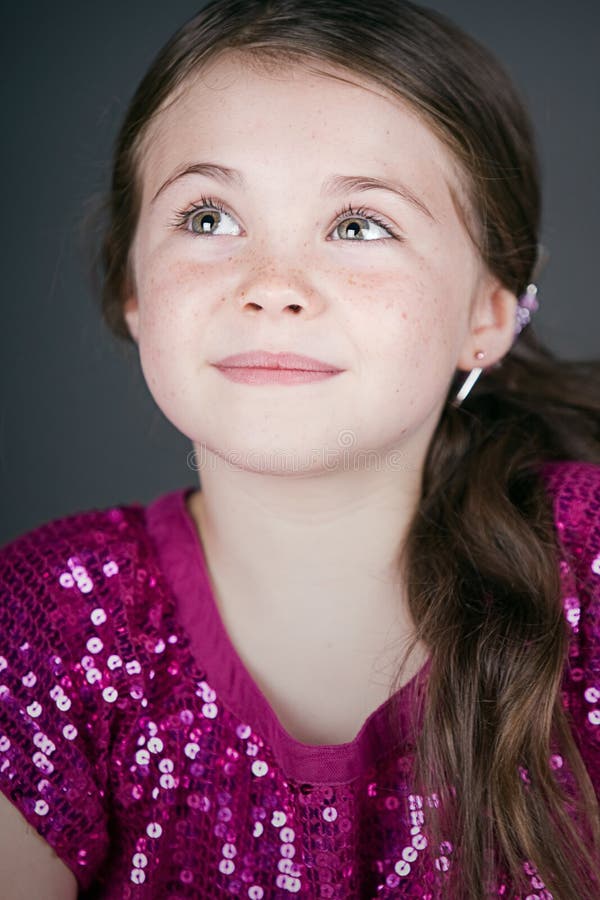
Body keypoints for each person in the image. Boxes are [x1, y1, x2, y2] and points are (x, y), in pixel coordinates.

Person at [1, 0, 599, 896]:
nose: (272, 286)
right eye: (208, 218)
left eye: (360, 225)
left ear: (489, 316)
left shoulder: (587, 567)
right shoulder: (53, 618)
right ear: (132, 287)